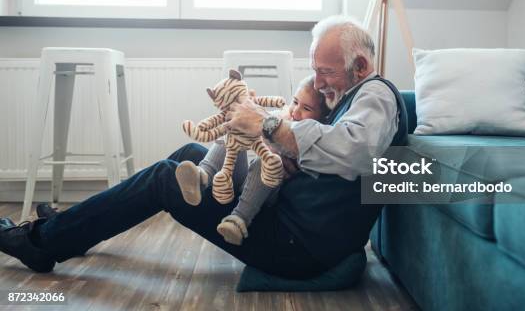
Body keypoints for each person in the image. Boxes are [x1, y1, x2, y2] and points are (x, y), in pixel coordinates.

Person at [0, 15, 407, 279]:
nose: (317, 83)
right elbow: (329, 150)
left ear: (361, 66)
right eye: (314, 71)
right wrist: (285, 145)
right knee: (190, 156)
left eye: (325, 72)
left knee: (165, 180)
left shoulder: (377, 94)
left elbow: (357, 152)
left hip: (296, 244)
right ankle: (75, 229)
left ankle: (41, 243)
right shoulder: (348, 97)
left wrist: (269, 127)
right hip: (287, 216)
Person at [175, 75, 330, 246]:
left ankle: (238, 220)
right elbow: (260, 121)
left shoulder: (313, 140)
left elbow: (304, 163)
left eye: (306, 108)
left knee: (266, 162)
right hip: (247, 183)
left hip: (265, 197)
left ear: (321, 119)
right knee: (233, 131)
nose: (295, 111)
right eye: (295, 101)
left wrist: (278, 151)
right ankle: (202, 176)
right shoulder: (284, 117)